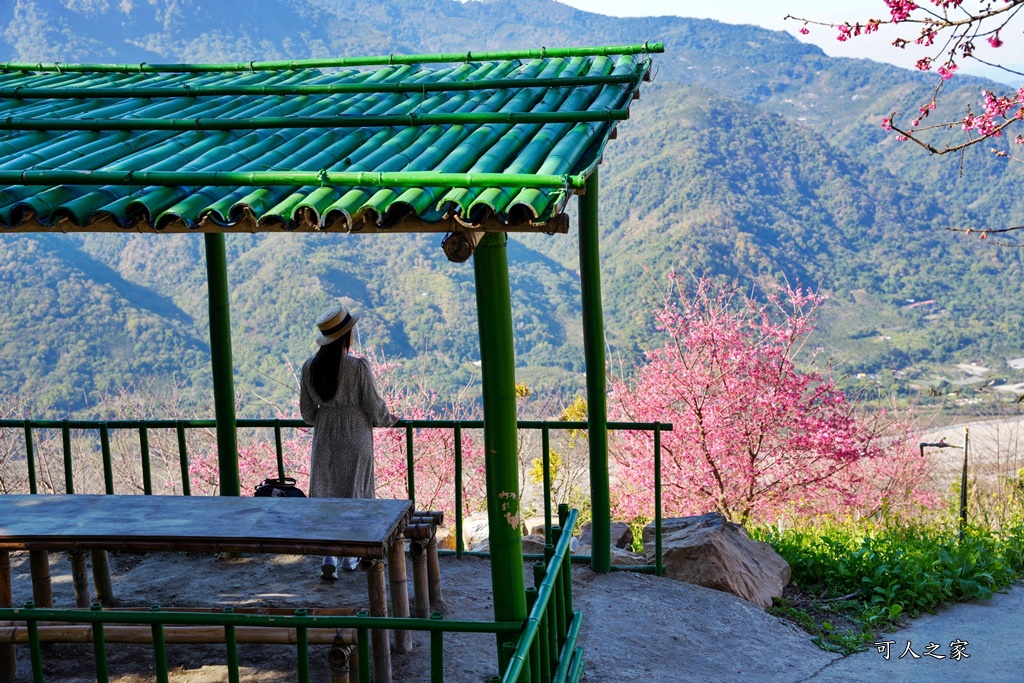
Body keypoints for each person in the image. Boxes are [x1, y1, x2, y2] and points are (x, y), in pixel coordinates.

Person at [300, 303, 398, 580]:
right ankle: (351, 555)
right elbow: (373, 406)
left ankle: (328, 555)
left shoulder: (309, 367)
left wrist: (327, 415)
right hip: (356, 434)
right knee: (357, 492)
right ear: (346, 336)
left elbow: (307, 413)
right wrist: (388, 419)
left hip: (326, 436)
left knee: (327, 492)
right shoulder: (357, 367)